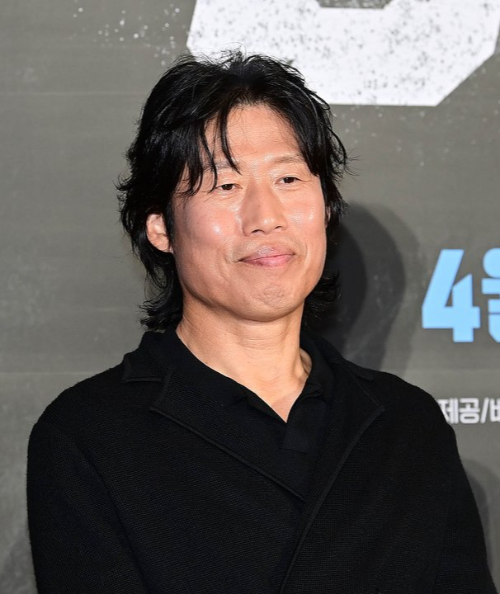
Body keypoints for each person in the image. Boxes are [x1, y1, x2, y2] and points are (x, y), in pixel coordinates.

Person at [27, 51, 497, 594]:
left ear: (326, 207)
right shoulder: (90, 436)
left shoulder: (408, 426)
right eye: (225, 186)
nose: (266, 217)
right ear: (160, 227)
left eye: (289, 178)